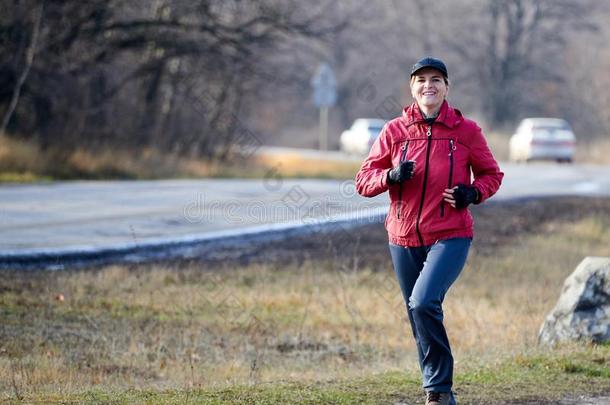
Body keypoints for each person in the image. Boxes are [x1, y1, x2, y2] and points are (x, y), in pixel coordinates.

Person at [355, 57, 503, 405]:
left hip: (450, 233)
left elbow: (491, 175)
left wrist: (473, 193)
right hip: (403, 236)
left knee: (423, 302)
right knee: (415, 311)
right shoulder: (395, 131)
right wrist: (389, 177)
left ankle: (439, 390)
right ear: (412, 88)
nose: (428, 85)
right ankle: (434, 388)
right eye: (421, 80)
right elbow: (363, 181)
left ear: (447, 87)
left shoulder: (467, 131)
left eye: (436, 79)